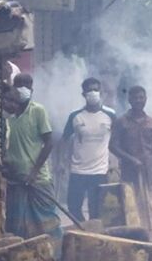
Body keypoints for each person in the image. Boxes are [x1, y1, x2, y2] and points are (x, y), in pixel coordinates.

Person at [4, 73, 62, 239]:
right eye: (19, 84)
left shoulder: (38, 111)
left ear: (32, 89)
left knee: (47, 223)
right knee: (18, 225)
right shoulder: (8, 116)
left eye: (26, 85)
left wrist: (34, 172)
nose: (23, 88)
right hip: (16, 180)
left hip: (38, 179)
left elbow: (49, 142)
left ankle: (56, 251)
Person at [61, 77, 116, 221]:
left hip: (100, 171)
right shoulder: (75, 116)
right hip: (78, 170)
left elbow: (116, 140)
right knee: (73, 207)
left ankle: (93, 232)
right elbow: (64, 139)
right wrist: (63, 162)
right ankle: (83, 229)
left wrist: (114, 163)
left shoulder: (110, 115)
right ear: (83, 94)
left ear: (101, 92)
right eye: (89, 90)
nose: (93, 93)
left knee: (96, 210)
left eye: (95, 90)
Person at [110, 86, 152, 231]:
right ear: (129, 100)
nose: (138, 100)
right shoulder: (121, 122)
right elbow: (113, 146)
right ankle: (135, 235)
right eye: (135, 98)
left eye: (141, 97)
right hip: (129, 171)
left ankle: (150, 234)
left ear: (146, 99)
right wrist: (131, 160)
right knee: (131, 205)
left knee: (149, 205)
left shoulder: (150, 122)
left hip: (148, 172)